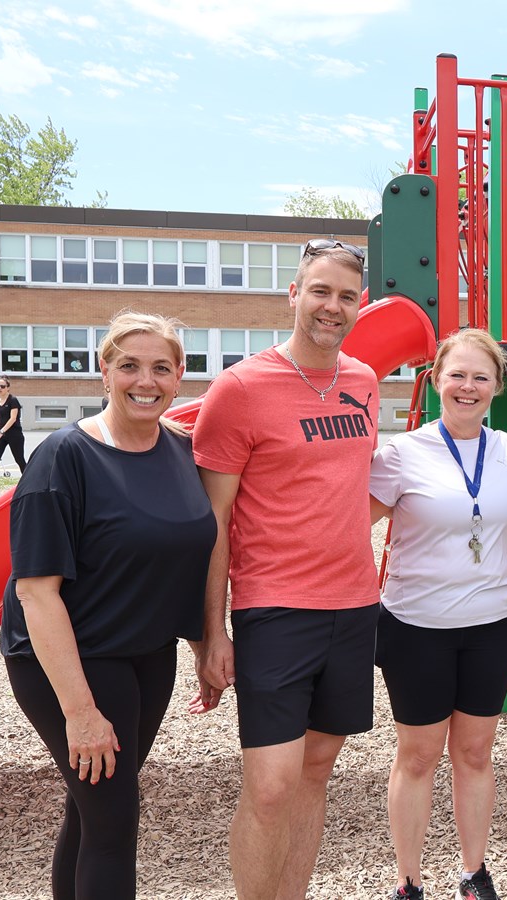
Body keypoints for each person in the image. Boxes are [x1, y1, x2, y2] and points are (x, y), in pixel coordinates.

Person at [0, 311, 216, 898]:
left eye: (161, 368)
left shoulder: (181, 450)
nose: (144, 381)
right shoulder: (63, 457)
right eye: (129, 366)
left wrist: (205, 642)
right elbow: (35, 592)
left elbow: (185, 555)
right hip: (73, 656)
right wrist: (80, 712)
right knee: (114, 822)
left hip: (148, 653)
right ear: (104, 372)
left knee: (95, 808)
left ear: (179, 378)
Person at [193, 238, 380, 900]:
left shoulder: (362, 382)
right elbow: (213, 521)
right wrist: (212, 632)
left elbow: (348, 489)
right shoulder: (240, 389)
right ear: (293, 293)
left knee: (316, 771)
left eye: (347, 296)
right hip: (274, 609)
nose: (333, 306)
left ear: (360, 305)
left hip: (356, 607)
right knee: (271, 785)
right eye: (320, 291)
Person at [369, 329, 507, 900]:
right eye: (456, 374)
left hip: (492, 626)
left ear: (496, 389)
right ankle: (408, 878)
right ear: (435, 381)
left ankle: (474, 870)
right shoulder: (402, 454)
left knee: (476, 752)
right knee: (418, 754)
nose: (468, 386)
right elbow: (349, 526)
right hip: (417, 629)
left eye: (481, 376)